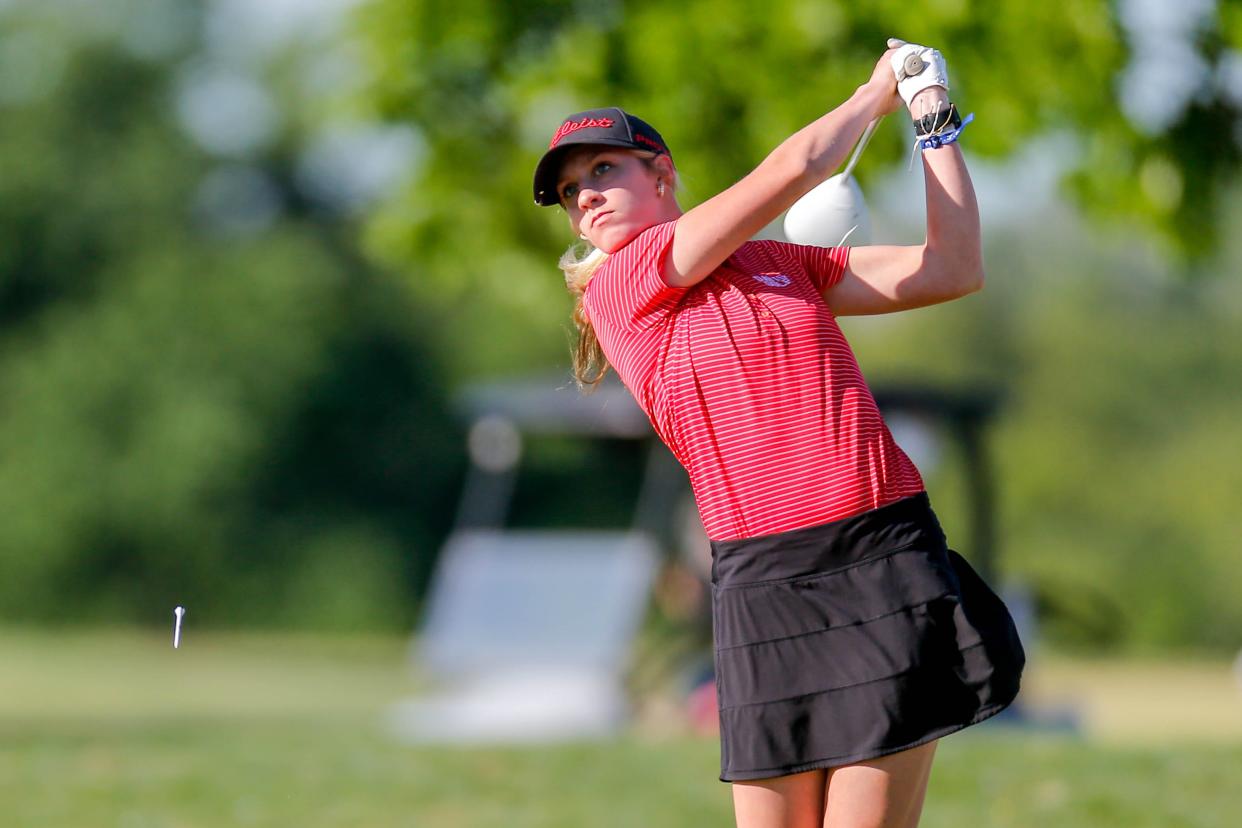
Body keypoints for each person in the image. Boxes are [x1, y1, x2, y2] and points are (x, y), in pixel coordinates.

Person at [531, 41, 1024, 828]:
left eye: (602, 171)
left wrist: (932, 114)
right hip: (762, 578)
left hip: (880, 554)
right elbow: (797, 167)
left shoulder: (780, 264)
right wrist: (876, 97)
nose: (583, 196)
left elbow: (953, 268)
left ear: (661, 176)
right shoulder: (619, 285)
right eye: (567, 190)